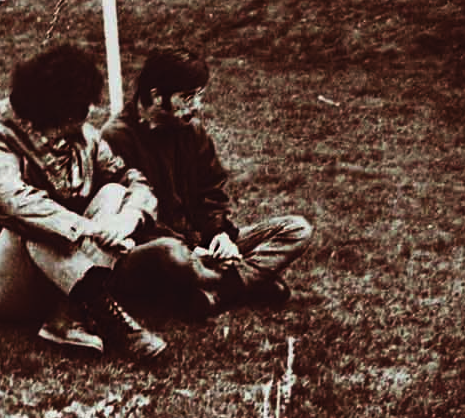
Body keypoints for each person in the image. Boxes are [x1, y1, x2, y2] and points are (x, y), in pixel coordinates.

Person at [0, 43, 172, 363]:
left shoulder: (86, 138)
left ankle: (66, 317)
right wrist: (86, 228)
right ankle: (110, 317)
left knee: (114, 193)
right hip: (3, 284)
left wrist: (127, 219)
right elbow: (13, 202)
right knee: (33, 222)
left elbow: (133, 180)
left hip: (60, 271)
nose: (85, 116)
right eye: (79, 109)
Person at [101, 47, 313, 316]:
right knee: (172, 255)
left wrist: (219, 235)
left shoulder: (192, 130)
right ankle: (246, 282)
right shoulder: (116, 137)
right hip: (157, 248)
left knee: (297, 229)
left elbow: (211, 189)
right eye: (187, 98)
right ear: (156, 95)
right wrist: (192, 251)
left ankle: (222, 290)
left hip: (201, 242)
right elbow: (127, 219)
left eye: (198, 97)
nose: (196, 106)